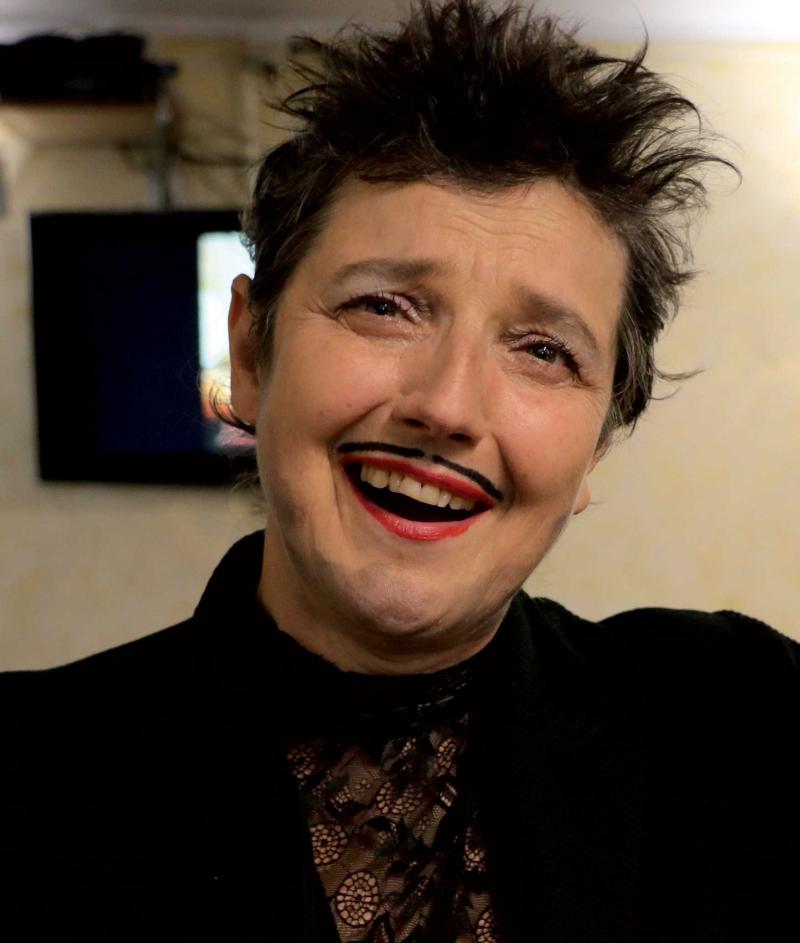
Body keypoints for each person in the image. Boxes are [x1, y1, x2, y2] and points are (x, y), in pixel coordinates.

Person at [2, 2, 797, 941]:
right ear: (250, 353)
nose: (449, 405)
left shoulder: (739, 718)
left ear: (596, 448)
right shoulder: (31, 776)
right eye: (384, 306)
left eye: (543, 350)